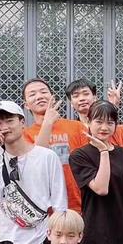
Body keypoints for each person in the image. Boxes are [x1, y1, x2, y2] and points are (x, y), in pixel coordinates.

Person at [0, 101, 67, 244]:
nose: (4, 127)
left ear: (22, 122)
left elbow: (59, 202)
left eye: (9, 121)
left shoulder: (46, 156)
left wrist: (59, 237)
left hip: (41, 240)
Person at [70, 101, 123, 244]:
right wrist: (103, 152)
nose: (104, 127)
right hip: (97, 227)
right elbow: (101, 188)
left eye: (110, 122)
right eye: (99, 121)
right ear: (89, 122)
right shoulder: (79, 155)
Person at [22, 78, 88, 214]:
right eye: (32, 94)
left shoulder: (77, 127)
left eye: (43, 92)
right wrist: (47, 123)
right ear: (26, 105)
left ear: (52, 96)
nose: (39, 96)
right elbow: (35, 164)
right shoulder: (25, 135)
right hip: (43, 210)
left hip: (78, 205)